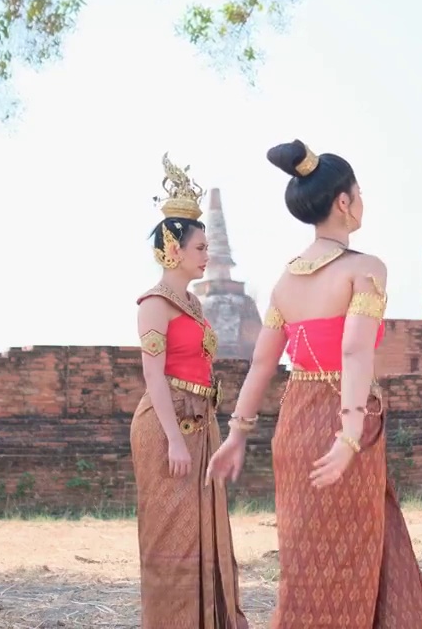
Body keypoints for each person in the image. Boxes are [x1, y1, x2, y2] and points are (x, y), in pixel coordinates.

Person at [206, 140, 422, 628]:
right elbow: (355, 350)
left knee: (310, 563)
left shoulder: (284, 284)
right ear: (343, 201)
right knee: (351, 560)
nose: (361, 200)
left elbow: (260, 365)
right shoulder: (365, 269)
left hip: (295, 425)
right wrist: (349, 434)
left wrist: (236, 435)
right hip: (343, 421)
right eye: (359, 192)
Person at [131, 154, 249, 629]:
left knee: (206, 526)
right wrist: (175, 439)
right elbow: (153, 376)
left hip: (203, 419)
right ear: (173, 249)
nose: (207, 255)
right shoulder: (153, 305)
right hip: (166, 426)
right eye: (200, 247)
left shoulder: (194, 303)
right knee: (172, 533)